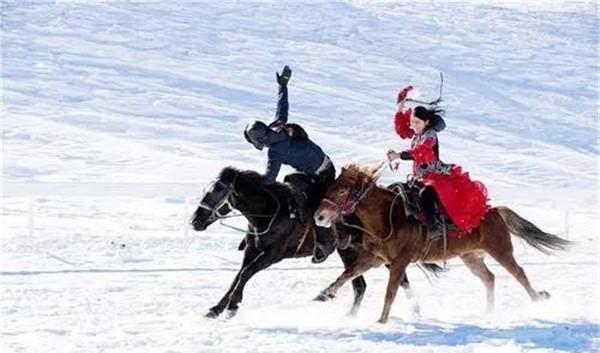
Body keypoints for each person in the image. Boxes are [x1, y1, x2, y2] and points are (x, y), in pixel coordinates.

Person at [244, 65, 336, 263]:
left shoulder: (275, 151)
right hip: (319, 166)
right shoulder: (278, 126)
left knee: (312, 206)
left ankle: (325, 244)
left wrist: (253, 187)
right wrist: (282, 86)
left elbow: (269, 179)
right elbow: (282, 107)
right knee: (292, 181)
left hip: (322, 175)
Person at [387, 85, 488, 239]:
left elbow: (421, 152)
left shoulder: (430, 135)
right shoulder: (416, 133)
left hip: (436, 175)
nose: (413, 126)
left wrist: (399, 156)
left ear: (426, 122)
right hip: (420, 176)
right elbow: (402, 129)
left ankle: (434, 227)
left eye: (417, 123)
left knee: (427, 193)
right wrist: (400, 106)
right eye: (412, 122)